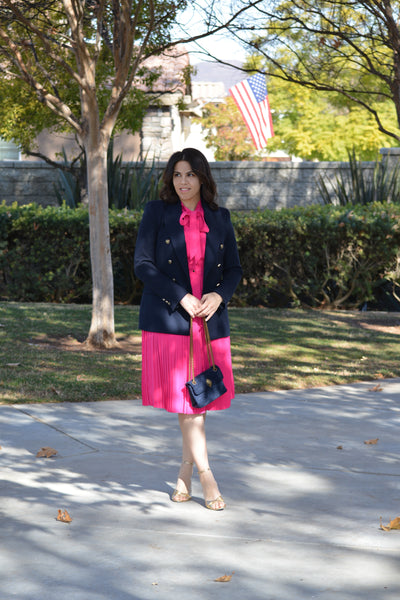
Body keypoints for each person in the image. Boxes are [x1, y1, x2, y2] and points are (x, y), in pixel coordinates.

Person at [134, 148, 242, 511]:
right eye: (177, 174)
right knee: (188, 403)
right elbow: (143, 266)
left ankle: (184, 473)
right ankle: (207, 475)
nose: (183, 182)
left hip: (210, 323)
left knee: (198, 399)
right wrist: (181, 297)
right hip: (170, 320)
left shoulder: (220, 218)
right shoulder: (157, 213)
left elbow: (234, 271)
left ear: (202, 178)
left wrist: (218, 296)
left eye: (190, 175)